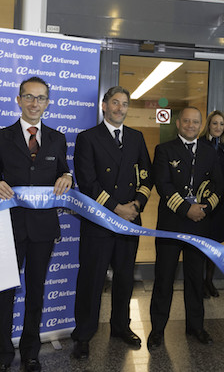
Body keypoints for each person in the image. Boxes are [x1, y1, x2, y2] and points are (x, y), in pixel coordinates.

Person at [0, 76, 73, 372]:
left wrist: (67, 177)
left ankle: (31, 353)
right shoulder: (1, 137)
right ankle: (1, 356)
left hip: (43, 228)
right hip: (10, 227)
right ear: (19, 100)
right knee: (6, 293)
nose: (35, 103)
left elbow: (64, 172)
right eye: (29, 97)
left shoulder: (58, 139)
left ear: (48, 103)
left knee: (36, 292)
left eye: (41, 98)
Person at [71, 86, 153, 359]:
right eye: (115, 103)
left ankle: (121, 326)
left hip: (130, 221)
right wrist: (117, 208)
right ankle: (83, 334)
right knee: (92, 279)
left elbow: (146, 175)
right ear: (104, 106)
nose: (120, 108)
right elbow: (87, 181)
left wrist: (136, 205)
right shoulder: (87, 138)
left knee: (125, 277)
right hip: (99, 222)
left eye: (124, 104)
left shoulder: (136, 137)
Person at [148, 106, 224, 349]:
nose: (191, 126)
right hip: (171, 224)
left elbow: (219, 185)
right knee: (164, 278)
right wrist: (186, 209)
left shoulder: (209, 152)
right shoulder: (164, 150)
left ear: (201, 126)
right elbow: (163, 185)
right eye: (186, 121)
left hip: (199, 224)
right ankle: (157, 329)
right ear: (178, 123)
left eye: (195, 122)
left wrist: (205, 209)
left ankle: (196, 327)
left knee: (195, 278)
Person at [198, 110, 224, 299]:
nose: (218, 127)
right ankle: (199, 280)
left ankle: (208, 280)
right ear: (208, 125)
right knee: (203, 239)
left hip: (221, 199)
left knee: (216, 240)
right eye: (215, 123)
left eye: (221, 124)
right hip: (203, 198)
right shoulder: (200, 143)